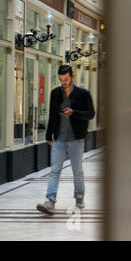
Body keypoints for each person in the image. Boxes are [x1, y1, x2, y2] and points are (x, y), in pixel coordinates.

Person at [36, 65, 95, 215]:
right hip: (59, 139)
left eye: (66, 79)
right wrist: (49, 135)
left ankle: (79, 196)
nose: (64, 82)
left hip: (76, 139)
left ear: (72, 76)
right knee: (54, 170)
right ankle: (50, 201)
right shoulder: (55, 93)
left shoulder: (83, 93)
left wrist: (73, 112)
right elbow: (51, 114)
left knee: (77, 171)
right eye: (62, 80)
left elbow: (90, 114)